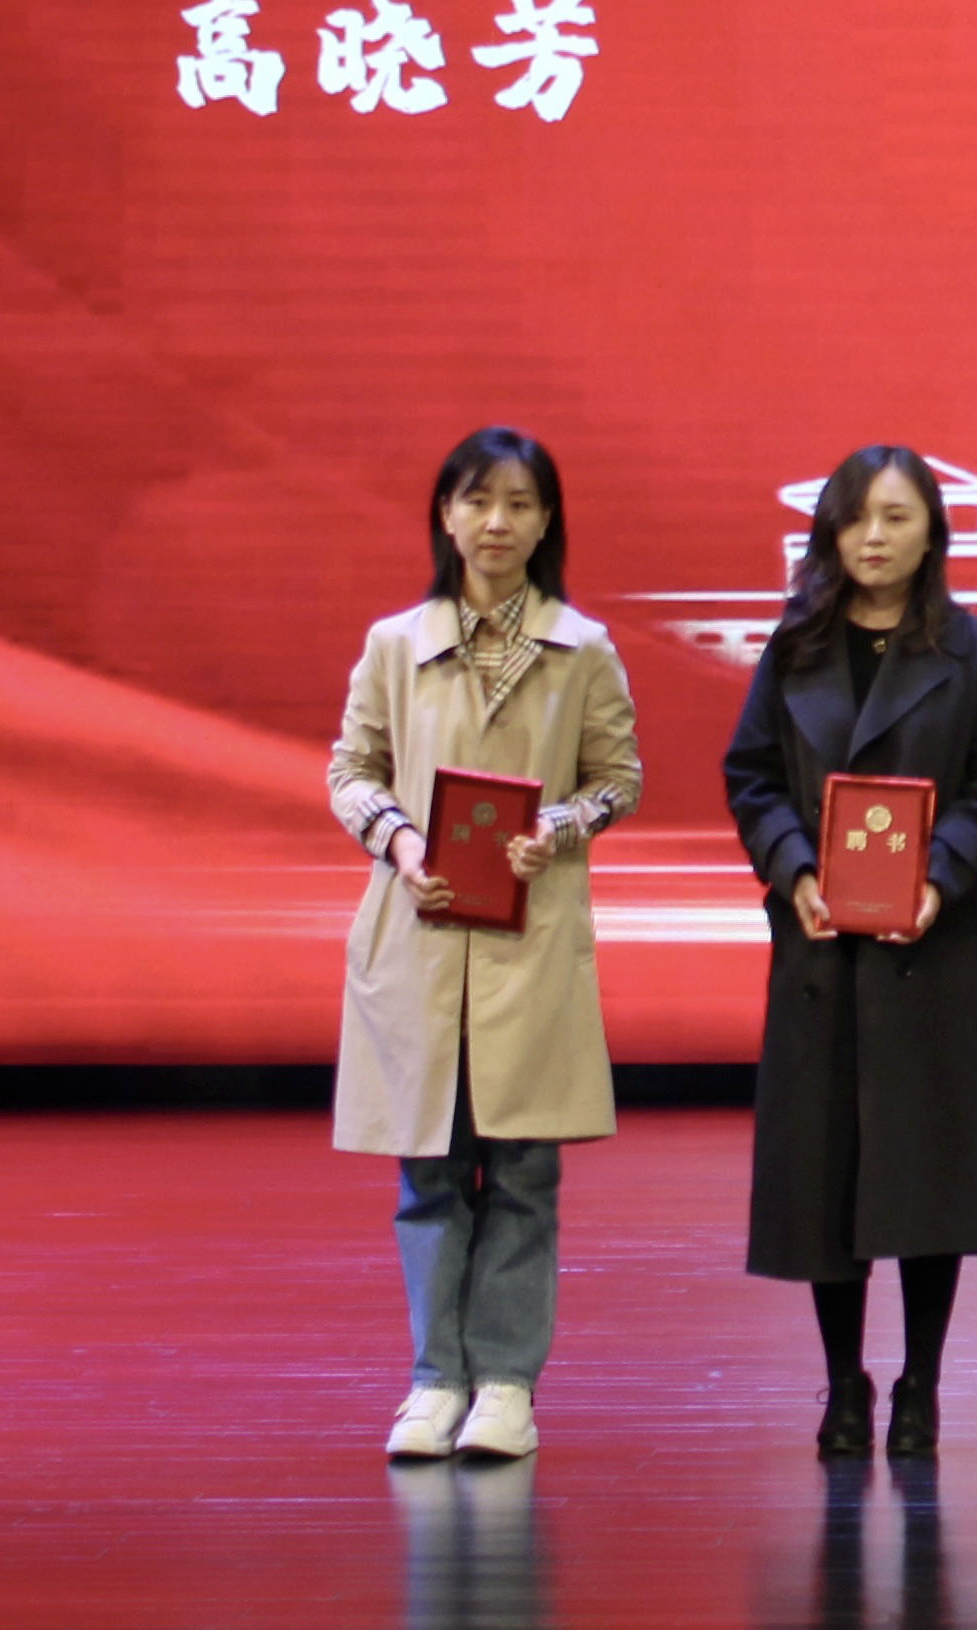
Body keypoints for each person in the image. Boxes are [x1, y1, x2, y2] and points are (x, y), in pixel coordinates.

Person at [329, 426, 645, 1464]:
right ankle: (434, 1382)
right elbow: (350, 772)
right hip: (420, 934)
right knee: (429, 1170)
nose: (496, 522)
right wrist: (400, 838)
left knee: (520, 1171)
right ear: (445, 515)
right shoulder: (395, 644)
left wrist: (557, 827)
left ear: (547, 521)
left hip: (528, 939)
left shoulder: (581, 649)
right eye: (476, 500)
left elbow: (618, 779)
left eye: (518, 503)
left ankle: (506, 1384)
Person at [722, 444, 977, 1460]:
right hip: (822, 951)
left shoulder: (966, 649)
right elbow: (752, 775)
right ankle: (844, 1381)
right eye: (857, 518)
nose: (875, 537)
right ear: (831, 531)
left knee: (927, 1174)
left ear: (931, 532)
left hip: (930, 952)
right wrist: (793, 871)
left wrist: (939, 878)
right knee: (830, 1177)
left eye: (896, 518)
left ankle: (920, 1382)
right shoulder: (797, 645)